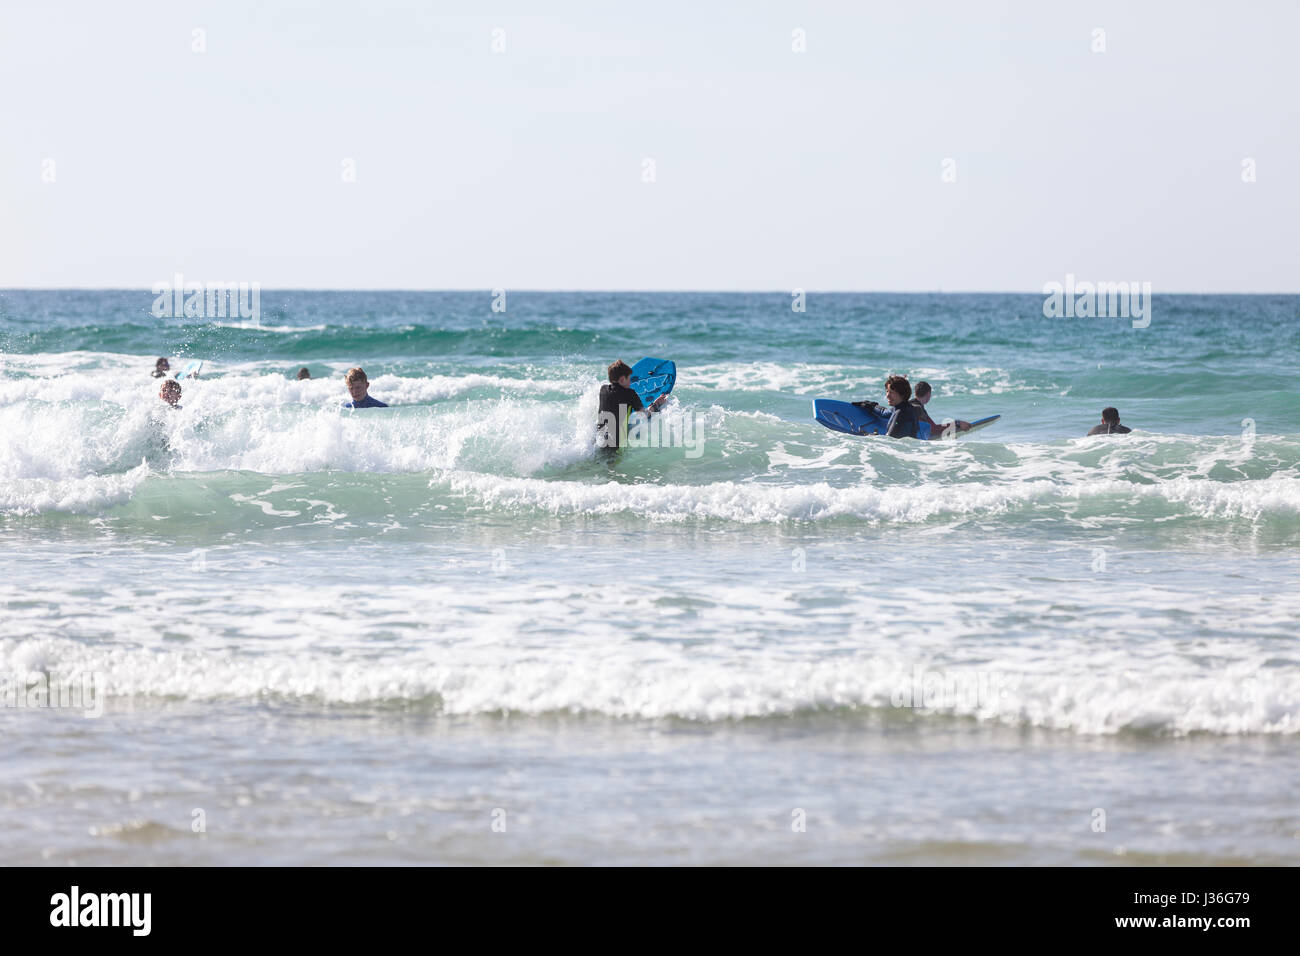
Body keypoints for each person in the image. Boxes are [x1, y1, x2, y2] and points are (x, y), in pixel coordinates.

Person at [595, 359, 666, 449]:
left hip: (599, 438)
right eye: (629, 378)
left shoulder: (603, 389)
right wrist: (656, 404)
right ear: (622, 379)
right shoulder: (630, 394)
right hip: (615, 444)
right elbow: (643, 415)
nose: (630, 382)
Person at [853, 375, 924, 438]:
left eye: (892, 392)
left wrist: (868, 436)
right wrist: (869, 405)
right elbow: (884, 412)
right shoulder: (903, 407)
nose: (887, 395)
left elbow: (889, 439)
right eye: (887, 391)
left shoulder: (901, 413)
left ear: (902, 394)